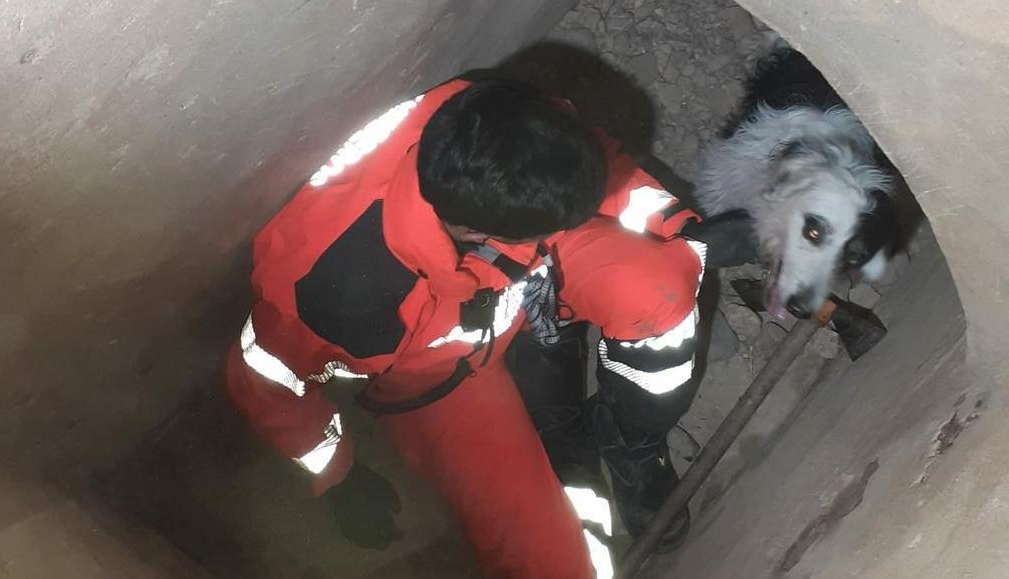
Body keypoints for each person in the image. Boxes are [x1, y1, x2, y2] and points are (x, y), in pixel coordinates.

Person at [226, 77, 755, 578]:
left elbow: (598, 177)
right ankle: (549, 408)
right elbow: (267, 380)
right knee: (558, 567)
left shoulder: (492, 121)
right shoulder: (340, 294)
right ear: (481, 232)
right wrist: (334, 473)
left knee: (657, 286)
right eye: (556, 223)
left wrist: (683, 230)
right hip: (441, 380)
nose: (578, 219)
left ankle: (631, 448)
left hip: (507, 285)